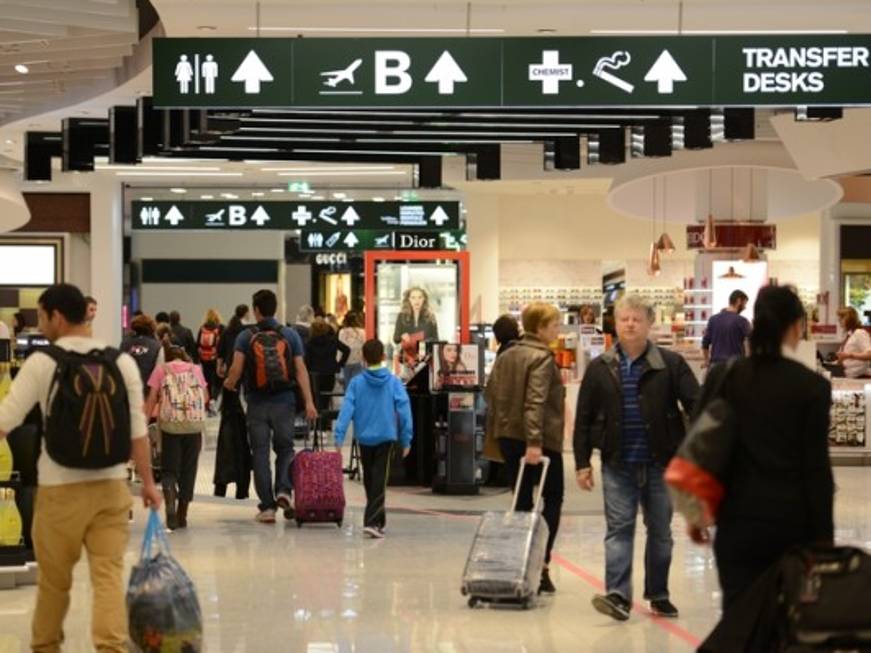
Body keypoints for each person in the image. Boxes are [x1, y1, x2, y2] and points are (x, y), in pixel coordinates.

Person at [0, 283, 161, 652]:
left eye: (41, 317)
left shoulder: (44, 362)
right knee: (107, 578)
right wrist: (149, 485)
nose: (40, 324)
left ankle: (46, 647)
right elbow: (138, 431)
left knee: (54, 583)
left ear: (56, 316)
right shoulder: (120, 362)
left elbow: (5, 419)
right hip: (111, 488)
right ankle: (110, 648)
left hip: (59, 491)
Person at [697, 285, 834, 614]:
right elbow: (816, 470)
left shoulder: (724, 376)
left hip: (736, 521)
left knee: (740, 617)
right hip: (793, 524)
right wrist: (823, 541)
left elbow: (700, 442)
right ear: (795, 326)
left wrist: (696, 508)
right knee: (787, 620)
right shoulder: (812, 387)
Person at [575, 294, 699, 621]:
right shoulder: (601, 367)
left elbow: (696, 405)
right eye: (623, 319)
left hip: (662, 464)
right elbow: (584, 417)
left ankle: (658, 593)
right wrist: (582, 462)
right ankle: (617, 595)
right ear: (615, 324)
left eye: (636, 319)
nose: (629, 324)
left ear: (649, 323)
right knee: (619, 530)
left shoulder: (671, 364)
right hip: (618, 464)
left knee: (660, 532)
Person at [485, 302, 565, 595]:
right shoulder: (542, 358)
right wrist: (534, 441)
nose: (557, 330)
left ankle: (518, 562)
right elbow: (535, 402)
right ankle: (541, 565)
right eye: (554, 325)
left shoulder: (506, 355)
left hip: (507, 435)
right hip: (538, 438)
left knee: (521, 499)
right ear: (540, 328)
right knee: (553, 497)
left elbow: (491, 391)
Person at [224, 290, 318, 524]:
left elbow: (236, 370)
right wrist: (309, 402)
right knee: (285, 448)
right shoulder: (290, 334)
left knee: (261, 453)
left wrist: (228, 384)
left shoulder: (246, 337)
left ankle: (267, 508)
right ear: (275, 309)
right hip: (284, 401)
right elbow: (300, 370)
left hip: (256, 403)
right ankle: (284, 491)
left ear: (255, 310)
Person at [334, 339, 412, 538]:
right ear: (384, 357)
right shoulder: (394, 382)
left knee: (370, 478)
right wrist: (406, 438)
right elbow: (404, 410)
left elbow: (346, 410)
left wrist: (339, 436)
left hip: (364, 437)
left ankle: (375, 520)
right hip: (386, 437)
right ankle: (375, 521)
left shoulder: (356, 383)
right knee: (378, 479)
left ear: (363, 358)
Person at [145, 344, 208, 531]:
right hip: (193, 426)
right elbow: (204, 397)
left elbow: (151, 399)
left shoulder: (160, 370)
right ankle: (182, 515)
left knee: (169, 469)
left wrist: (145, 422)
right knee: (189, 470)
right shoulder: (195, 369)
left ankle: (170, 505)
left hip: (170, 427)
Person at [305, 317, 351, 412]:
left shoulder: (310, 343)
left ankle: (318, 420)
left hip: (315, 373)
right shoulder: (332, 340)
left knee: (317, 398)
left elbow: (307, 360)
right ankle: (326, 421)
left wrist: (309, 368)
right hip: (330, 372)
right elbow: (347, 350)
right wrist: (339, 364)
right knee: (327, 398)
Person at [702, 290, 751, 368]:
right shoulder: (742, 321)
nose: (745, 307)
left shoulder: (713, 319)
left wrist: (706, 361)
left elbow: (705, 344)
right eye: (744, 304)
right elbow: (751, 342)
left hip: (715, 366)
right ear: (738, 301)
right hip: (735, 367)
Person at [393, 287, 440, 366]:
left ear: (424, 299)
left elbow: (436, 339)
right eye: (413, 298)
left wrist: (424, 344)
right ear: (409, 300)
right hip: (407, 361)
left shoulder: (431, 317)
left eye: (420, 297)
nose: (417, 301)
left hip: (424, 360)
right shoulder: (401, 316)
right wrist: (402, 336)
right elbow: (395, 339)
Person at [120, 313, 163, 395]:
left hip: (127, 388)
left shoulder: (125, 343)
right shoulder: (157, 346)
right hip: (147, 390)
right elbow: (159, 371)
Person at [197, 308, 224, 407]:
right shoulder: (220, 328)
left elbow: (198, 344)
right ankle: (214, 398)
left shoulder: (202, 328)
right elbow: (223, 344)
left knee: (207, 379)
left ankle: (207, 400)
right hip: (215, 357)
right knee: (217, 378)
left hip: (204, 358)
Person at [835, 306, 871, 378]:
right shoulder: (849, 335)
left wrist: (849, 355)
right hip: (850, 376)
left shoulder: (860, 333)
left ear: (850, 319)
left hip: (861, 377)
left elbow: (869, 354)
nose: (839, 321)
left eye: (842, 318)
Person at [218, 304, 250, 380]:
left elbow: (221, 349)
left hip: (230, 363)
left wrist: (219, 366)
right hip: (246, 365)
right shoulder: (249, 330)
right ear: (246, 314)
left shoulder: (227, 329)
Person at [339, 311, 367, 388]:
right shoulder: (362, 332)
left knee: (347, 386)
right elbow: (364, 348)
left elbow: (340, 349)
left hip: (346, 362)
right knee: (357, 386)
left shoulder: (342, 332)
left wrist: (338, 362)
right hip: (358, 361)